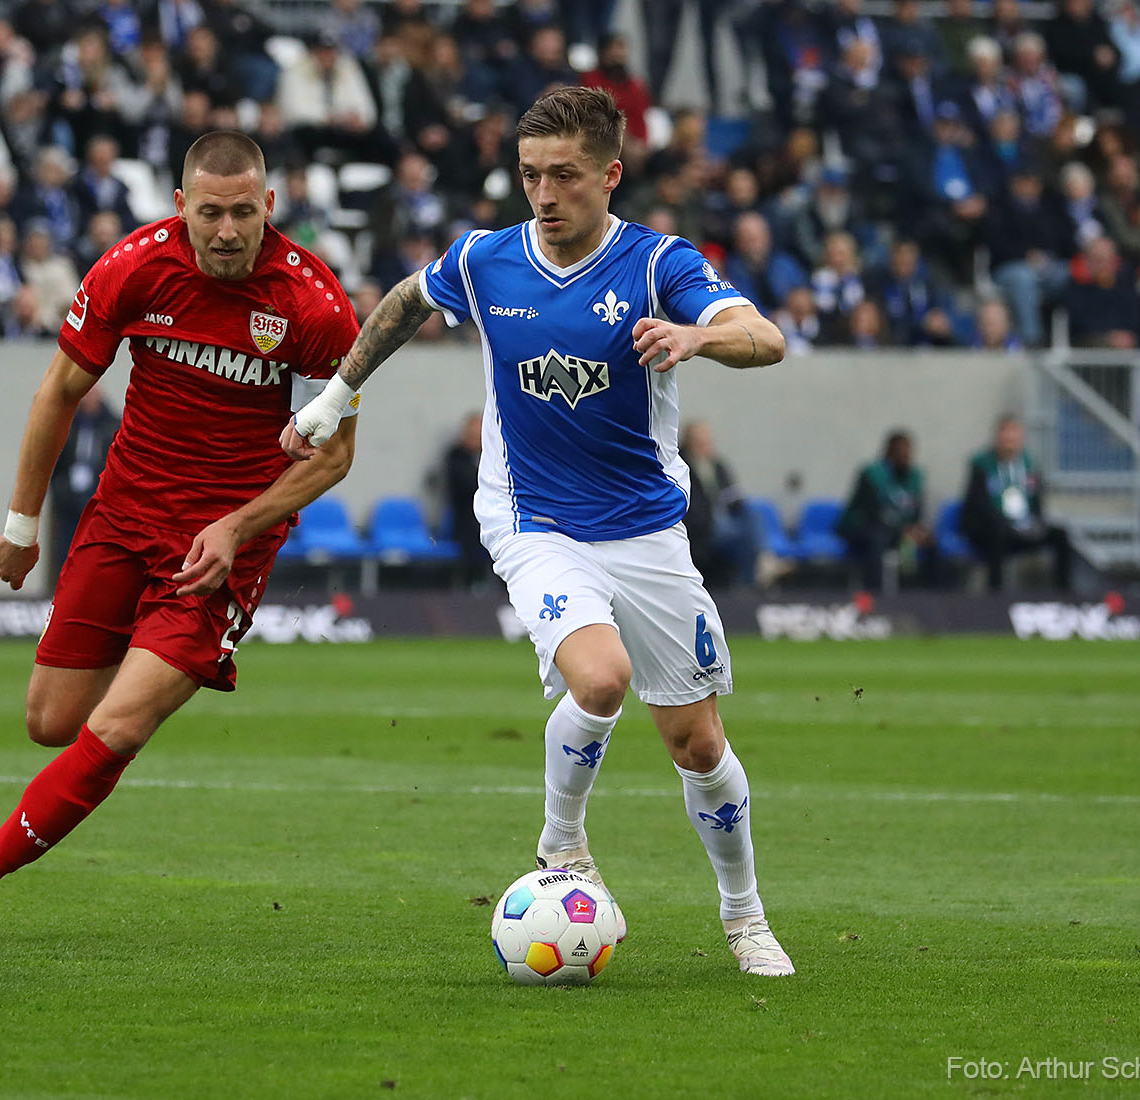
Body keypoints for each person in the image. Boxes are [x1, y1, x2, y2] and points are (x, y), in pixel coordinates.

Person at [289, 87, 794, 976]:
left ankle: (744, 915)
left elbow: (766, 338)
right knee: (599, 678)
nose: (545, 194)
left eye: (564, 176)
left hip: (645, 531)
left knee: (699, 746)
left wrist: (696, 338)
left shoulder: (656, 265)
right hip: (534, 521)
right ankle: (562, 846)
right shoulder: (489, 260)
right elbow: (408, 301)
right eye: (530, 175)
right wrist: (336, 396)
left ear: (610, 174)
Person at [0, 132, 363, 944]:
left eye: (243, 213)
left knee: (119, 726)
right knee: (52, 723)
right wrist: (22, 526)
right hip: (123, 516)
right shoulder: (132, 267)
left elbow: (335, 457)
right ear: (180, 208)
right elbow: (59, 390)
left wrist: (236, 526)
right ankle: (147, 651)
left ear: (268, 206)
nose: (227, 231)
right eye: (210, 213)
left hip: (219, 553)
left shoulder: (312, 305)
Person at [959, 414, 1072, 590]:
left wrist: (1036, 523)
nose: (1008, 437)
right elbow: (978, 504)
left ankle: (1064, 594)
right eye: (1004, 432)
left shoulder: (1029, 464)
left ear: (1021, 437)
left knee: (1060, 535)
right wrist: (1006, 523)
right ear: (997, 436)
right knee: (997, 534)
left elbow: (1036, 500)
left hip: (1022, 526)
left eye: (1013, 432)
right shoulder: (981, 464)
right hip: (989, 527)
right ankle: (995, 594)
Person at [835, 430, 936, 591]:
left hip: (897, 530)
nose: (907, 456)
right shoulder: (872, 474)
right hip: (861, 526)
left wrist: (917, 529)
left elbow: (916, 510)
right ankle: (875, 595)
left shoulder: (914, 476)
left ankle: (930, 597)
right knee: (878, 539)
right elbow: (872, 512)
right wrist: (903, 530)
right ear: (890, 452)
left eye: (909, 451)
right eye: (902, 451)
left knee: (930, 541)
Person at [49, 387, 122, 578]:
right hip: (68, 502)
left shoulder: (113, 425)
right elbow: (55, 463)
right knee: (65, 555)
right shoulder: (69, 424)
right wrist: (61, 488)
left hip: (99, 501)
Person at [682, 421, 761, 588]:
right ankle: (751, 580)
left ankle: (755, 571)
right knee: (746, 539)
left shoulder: (717, 465)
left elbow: (731, 491)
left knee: (752, 516)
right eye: (700, 441)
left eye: (707, 441)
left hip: (726, 514)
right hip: (704, 522)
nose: (705, 445)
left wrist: (737, 502)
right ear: (690, 441)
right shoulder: (682, 464)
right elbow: (691, 501)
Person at [441, 411, 488, 584]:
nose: (476, 440)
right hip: (465, 521)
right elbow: (468, 484)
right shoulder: (455, 455)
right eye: (473, 435)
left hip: (489, 520)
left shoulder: (492, 456)